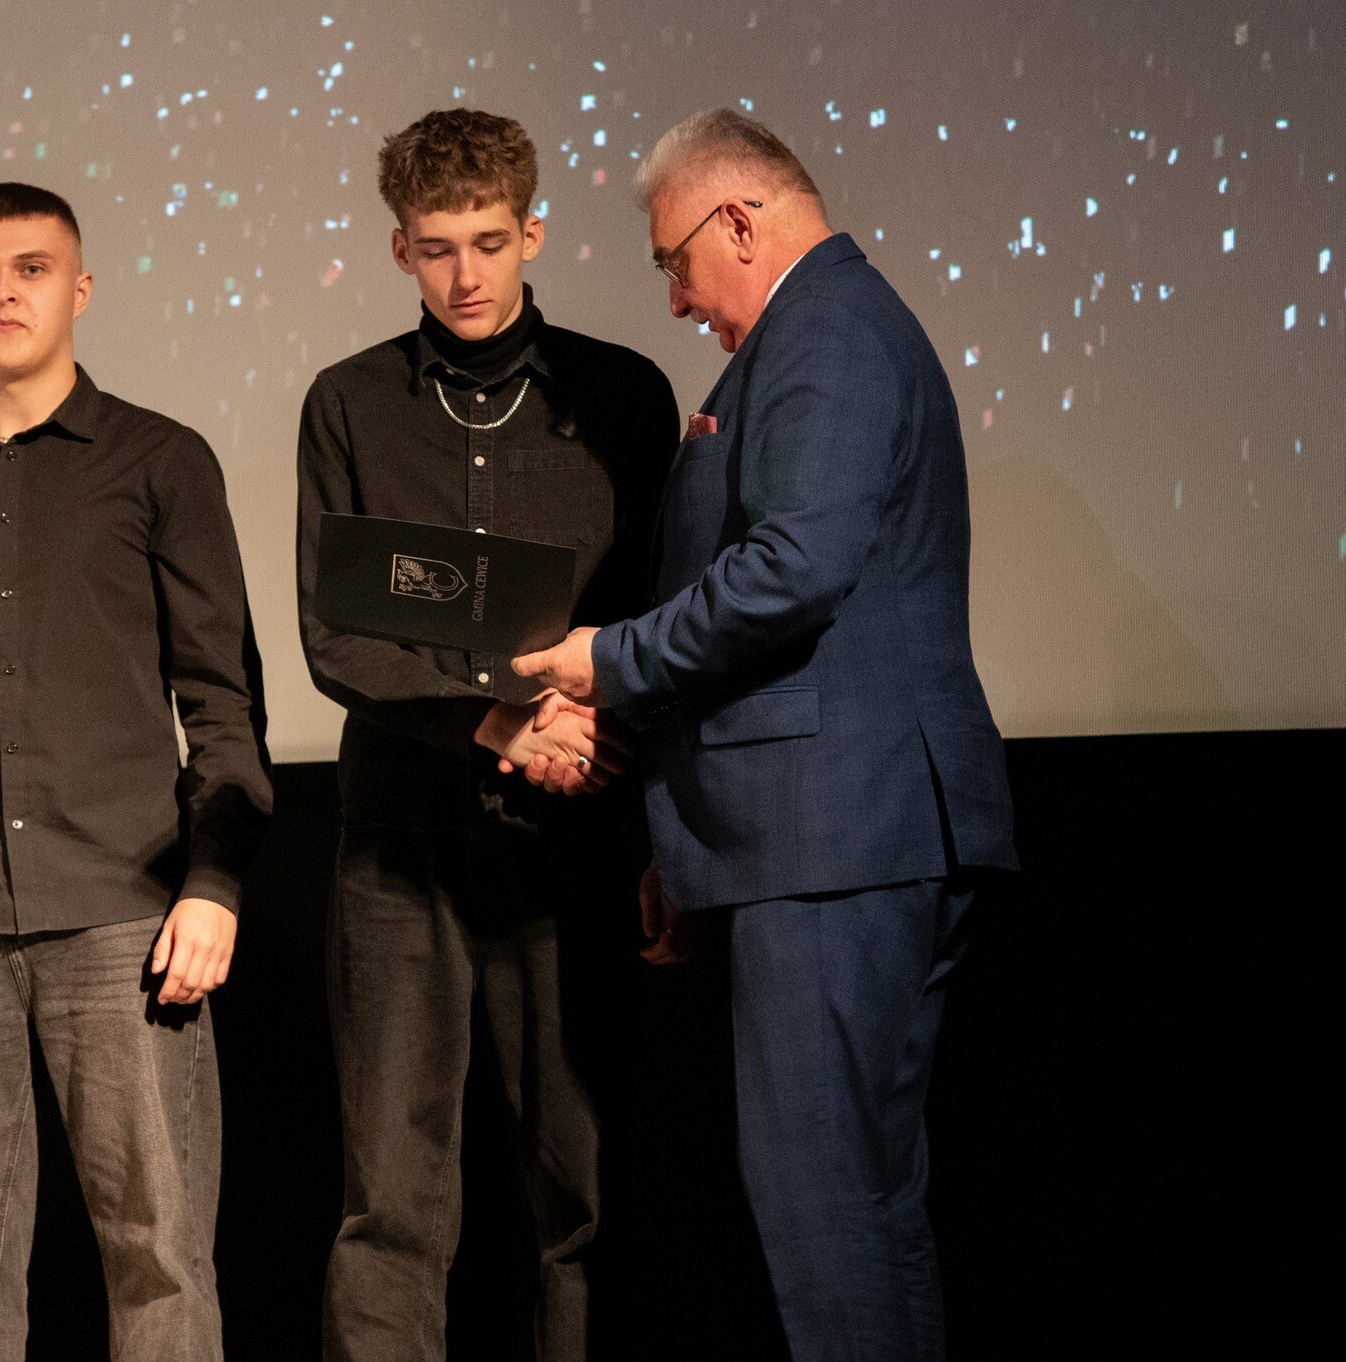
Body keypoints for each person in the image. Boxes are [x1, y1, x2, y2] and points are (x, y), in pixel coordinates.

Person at [515, 108, 1019, 1361]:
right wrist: (685, 844)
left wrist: (605, 662)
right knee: (863, 1206)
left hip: (836, 836)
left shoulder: (826, 332)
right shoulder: (827, 328)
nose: (676, 300)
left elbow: (791, 571)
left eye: (673, 262)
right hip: (826, 836)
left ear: (737, 221)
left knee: (823, 1207)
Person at [0, 182, 272, 1362]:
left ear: (78, 289)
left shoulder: (160, 461)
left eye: (30, 269)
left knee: (159, 1254)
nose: (4, 292)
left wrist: (213, 884)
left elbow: (220, 700)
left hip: (122, 911)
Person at [295, 109, 676, 1361]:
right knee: (390, 1203)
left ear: (532, 234)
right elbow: (334, 640)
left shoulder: (622, 394)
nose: (464, 275)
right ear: (398, 248)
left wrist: (593, 734)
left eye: (489, 243)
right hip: (399, 846)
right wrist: (497, 721)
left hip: (572, 839)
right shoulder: (349, 403)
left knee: (584, 1191)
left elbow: (660, 613)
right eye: (436, 248)